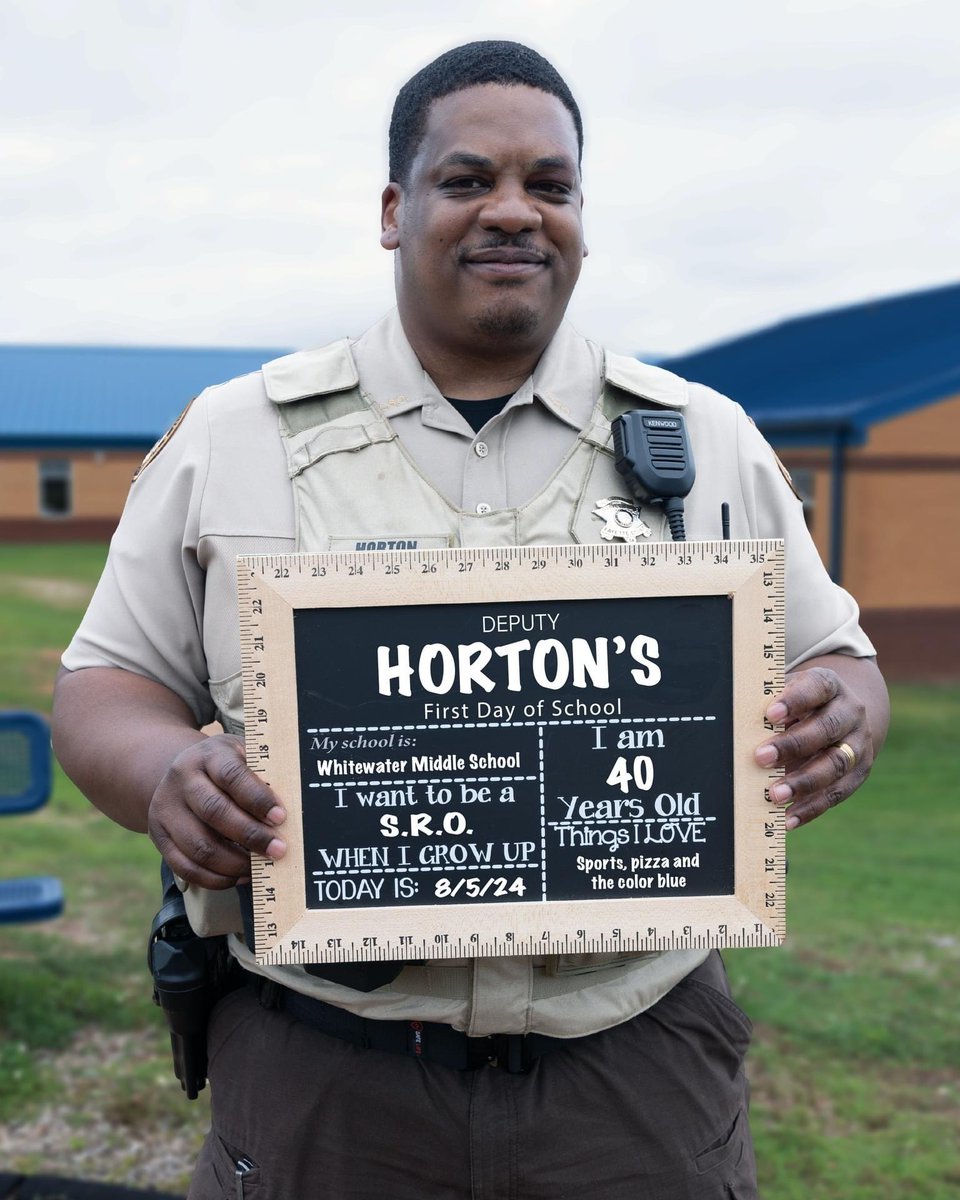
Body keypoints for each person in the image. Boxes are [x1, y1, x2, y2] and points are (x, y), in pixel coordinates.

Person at [53, 40, 889, 1200]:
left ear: (583, 216)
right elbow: (105, 687)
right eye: (468, 181)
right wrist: (163, 774)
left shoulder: (706, 439)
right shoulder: (234, 436)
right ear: (396, 210)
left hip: (633, 1074)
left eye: (550, 185)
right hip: (328, 1074)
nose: (515, 212)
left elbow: (839, 659)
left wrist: (837, 716)